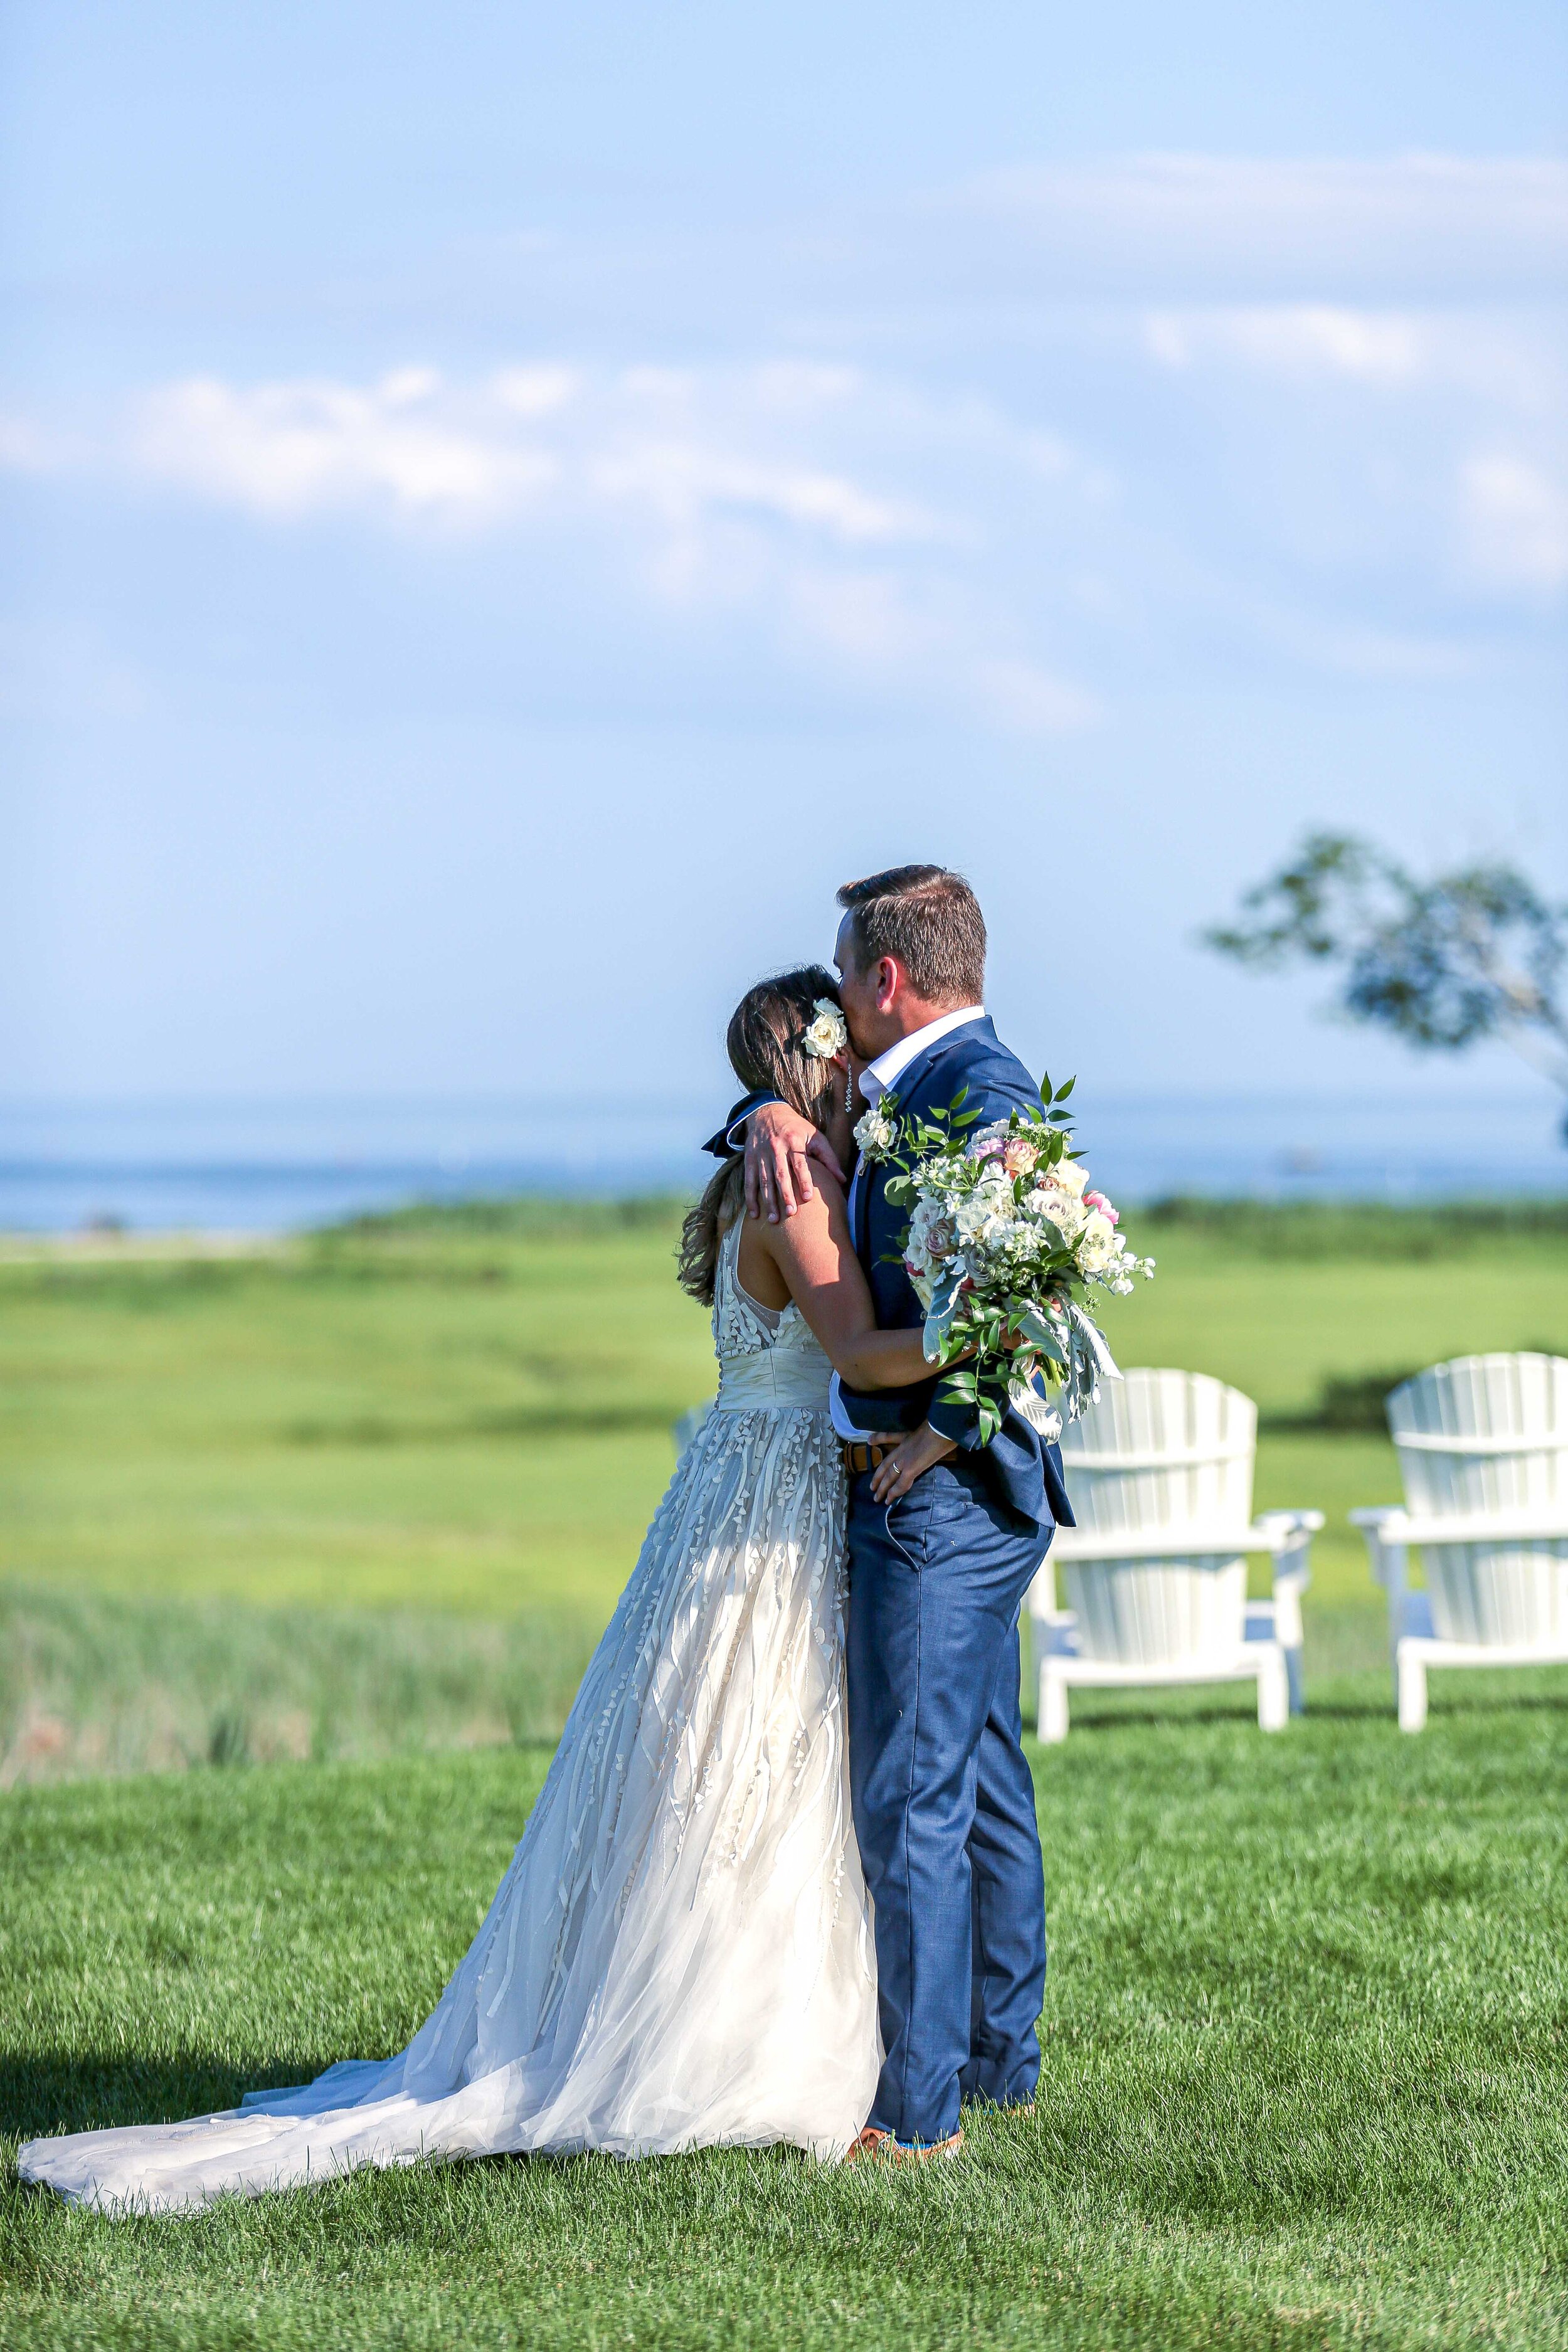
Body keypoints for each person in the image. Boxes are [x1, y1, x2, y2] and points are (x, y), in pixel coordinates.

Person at [18, 967, 937, 2213]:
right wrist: (996, 1328)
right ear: (819, 1063)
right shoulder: (795, 1189)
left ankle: (696, 2010)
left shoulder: (748, 1172)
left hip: (727, 1485)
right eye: (854, 1054)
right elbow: (856, 1351)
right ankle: (727, 2044)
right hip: (770, 1501)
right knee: (753, 1760)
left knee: (722, 1769)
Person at [714, 866, 1073, 2162]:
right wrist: (766, 1100)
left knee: (909, 1795)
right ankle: (994, 2060)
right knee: (972, 1779)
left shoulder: (974, 1092)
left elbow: (1043, 1275)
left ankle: (916, 2117)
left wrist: (949, 1421)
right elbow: (811, 1097)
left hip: (941, 1495)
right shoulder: (916, 1086)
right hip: (950, 1492)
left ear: (883, 978)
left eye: (840, 977)